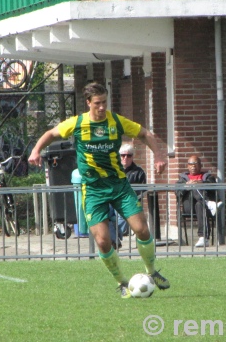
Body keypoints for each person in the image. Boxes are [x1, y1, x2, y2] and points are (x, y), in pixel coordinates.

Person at [28, 82, 169, 298]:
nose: (102, 107)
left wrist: (159, 155)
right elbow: (51, 133)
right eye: (97, 103)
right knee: (103, 241)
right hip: (93, 189)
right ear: (88, 103)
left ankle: (152, 272)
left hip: (118, 185)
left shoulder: (116, 122)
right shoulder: (77, 123)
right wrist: (36, 150)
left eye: (104, 102)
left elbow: (146, 134)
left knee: (141, 229)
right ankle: (122, 282)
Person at [176, 155, 222, 248]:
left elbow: (213, 187)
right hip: (189, 206)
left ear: (200, 165)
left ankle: (203, 238)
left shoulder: (207, 177)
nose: (193, 166)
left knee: (200, 204)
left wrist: (201, 183)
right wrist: (186, 187)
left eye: (195, 164)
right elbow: (177, 193)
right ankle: (209, 203)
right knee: (193, 186)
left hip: (201, 207)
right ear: (187, 166)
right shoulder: (182, 179)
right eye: (191, 164)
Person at [109, 143, 146, 249]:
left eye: (129, 155)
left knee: (123, 216)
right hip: (111, 200)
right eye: (123, 155)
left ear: (132, 157)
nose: (125, 158)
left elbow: (142, 190)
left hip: (126, 201)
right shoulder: (112, 170)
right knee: (104, 214)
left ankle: (114, 239)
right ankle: (115, 239)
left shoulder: (139, 172)